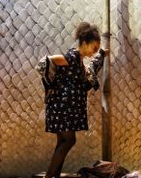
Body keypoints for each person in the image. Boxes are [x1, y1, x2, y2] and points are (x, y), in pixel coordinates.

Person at [44, 22, 107, 178]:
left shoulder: (79, 61)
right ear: (84, 43)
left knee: (62, 143)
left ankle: (54, 176)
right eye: (94, 47)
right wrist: (49, 84)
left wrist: (102, 55)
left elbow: (91, 69)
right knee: (68, 141)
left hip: (64, 110)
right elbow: (48, 61)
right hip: (62, 109)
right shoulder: (71, 57)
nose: (94, 51)